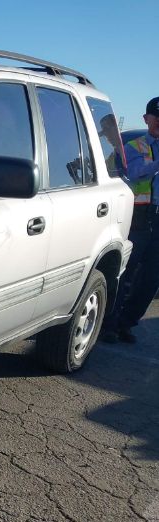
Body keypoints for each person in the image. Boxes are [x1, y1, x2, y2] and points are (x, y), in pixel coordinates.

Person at [102, 97, 159, 344]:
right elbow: (133, 173)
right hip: (138, 217)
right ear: (146, 119)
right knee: (124, 273)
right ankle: (109, 325)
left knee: (151, 280)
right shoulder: (135, 146)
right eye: (156, 117)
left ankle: (126, 323)